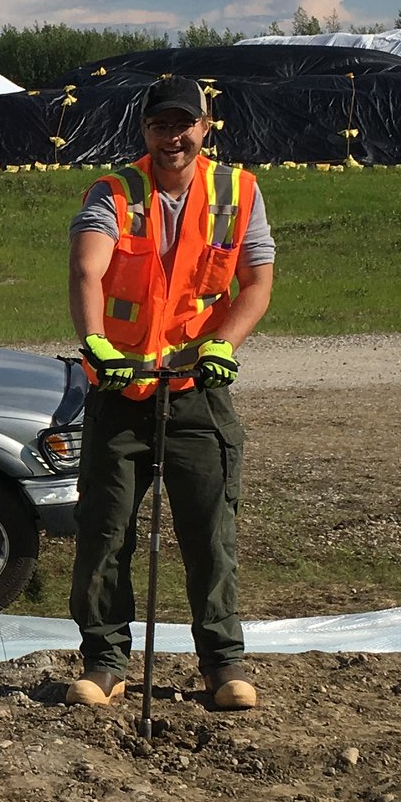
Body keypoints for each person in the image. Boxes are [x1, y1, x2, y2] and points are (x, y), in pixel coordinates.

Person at [65, 75, 275, 711]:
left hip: (196, 389)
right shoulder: (114, 193)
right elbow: (87, 268)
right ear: (145, 131)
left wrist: (223, 345)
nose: (172, 137)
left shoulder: (238, 192)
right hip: (121, 389)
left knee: (211, 532)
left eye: (184, 125)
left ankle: (223, 663)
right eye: (160, 126)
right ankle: (105, 663)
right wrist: (96, 344)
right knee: (105, 532)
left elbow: (256, 282)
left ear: (204, 127)